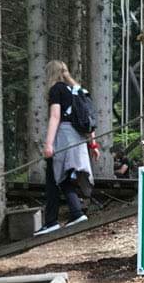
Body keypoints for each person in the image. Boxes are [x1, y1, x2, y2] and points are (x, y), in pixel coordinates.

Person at [36, 60, 99, 235]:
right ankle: (74, 214)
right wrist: (93, 144)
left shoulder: (57, 89)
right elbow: (89, 119)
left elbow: (55, 117)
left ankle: (55, 221)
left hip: (64, 136)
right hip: (79, 138)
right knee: (64, 175)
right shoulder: (79, 91)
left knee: (56, 175)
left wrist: (48, 144)